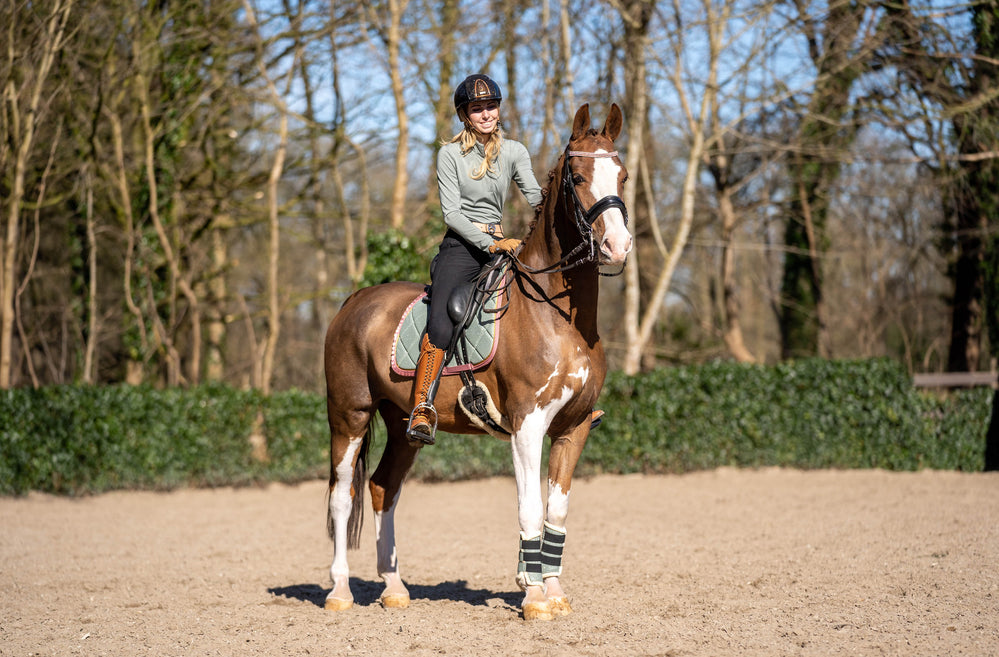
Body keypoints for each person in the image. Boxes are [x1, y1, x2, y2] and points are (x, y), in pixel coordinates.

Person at [406, 73, 543, 445]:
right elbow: (451, 214)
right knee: (443, 315)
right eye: (477, 108)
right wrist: (489, 243)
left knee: (543, 299)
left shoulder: (514, 151)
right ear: (465, 115)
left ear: (499, 110)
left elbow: (535, 196)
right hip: (461, 247)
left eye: (491, 106)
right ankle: (422, 406)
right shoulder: (449, 154)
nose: (486, 114)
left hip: (503, 241)